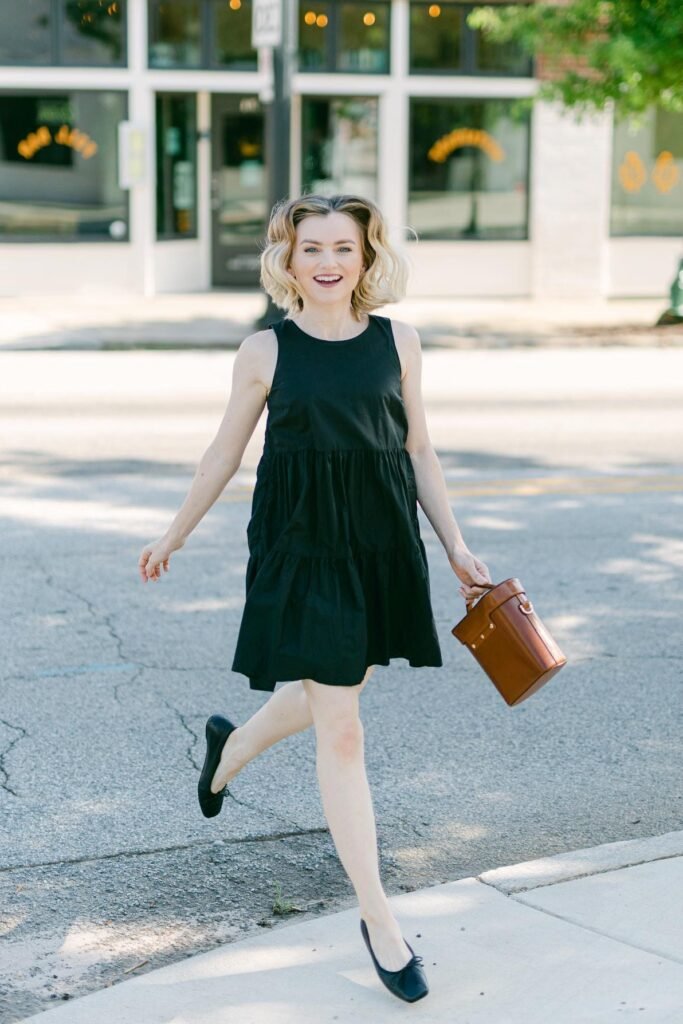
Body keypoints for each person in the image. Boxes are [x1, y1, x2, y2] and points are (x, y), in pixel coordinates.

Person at [138, 193, 493, 1003]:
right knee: (343, 727)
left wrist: (455, 545)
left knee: (336, 687)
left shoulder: (398, 341)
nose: (328, 261)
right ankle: (380, 923)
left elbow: (419, 449)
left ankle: (227, 752)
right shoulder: (264, 350)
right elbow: (222, 453)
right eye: (311, 249)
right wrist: (174, 534)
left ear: (367, 258)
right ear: (287, 261)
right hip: (300, 544)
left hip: (378, 541)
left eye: (344, 247)